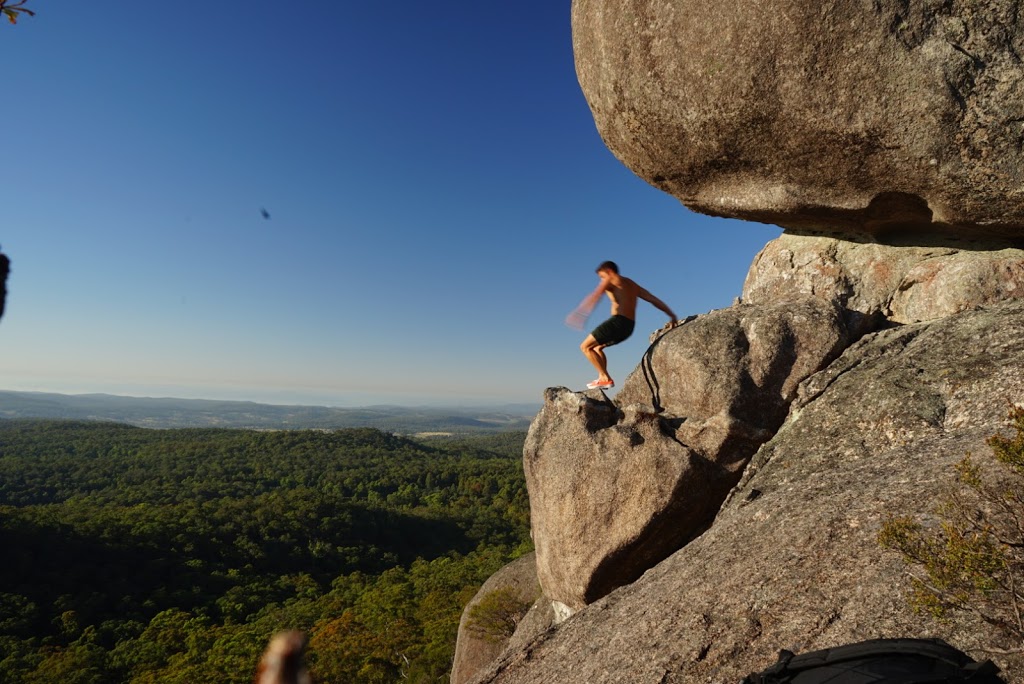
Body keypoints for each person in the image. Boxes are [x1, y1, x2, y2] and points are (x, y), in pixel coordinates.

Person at [566, 260, 677, 390]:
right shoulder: (632, 284)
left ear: (609, 271)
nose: (601, 280)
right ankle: (603, 378)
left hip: (617, 321)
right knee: (597, 348)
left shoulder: (611, 279)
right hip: (629, 327)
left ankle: (604, 378)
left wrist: (580, 314)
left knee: (585, 347)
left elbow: (596, 295)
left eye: (602, 276)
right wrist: (671, 315)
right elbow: (653, 299)